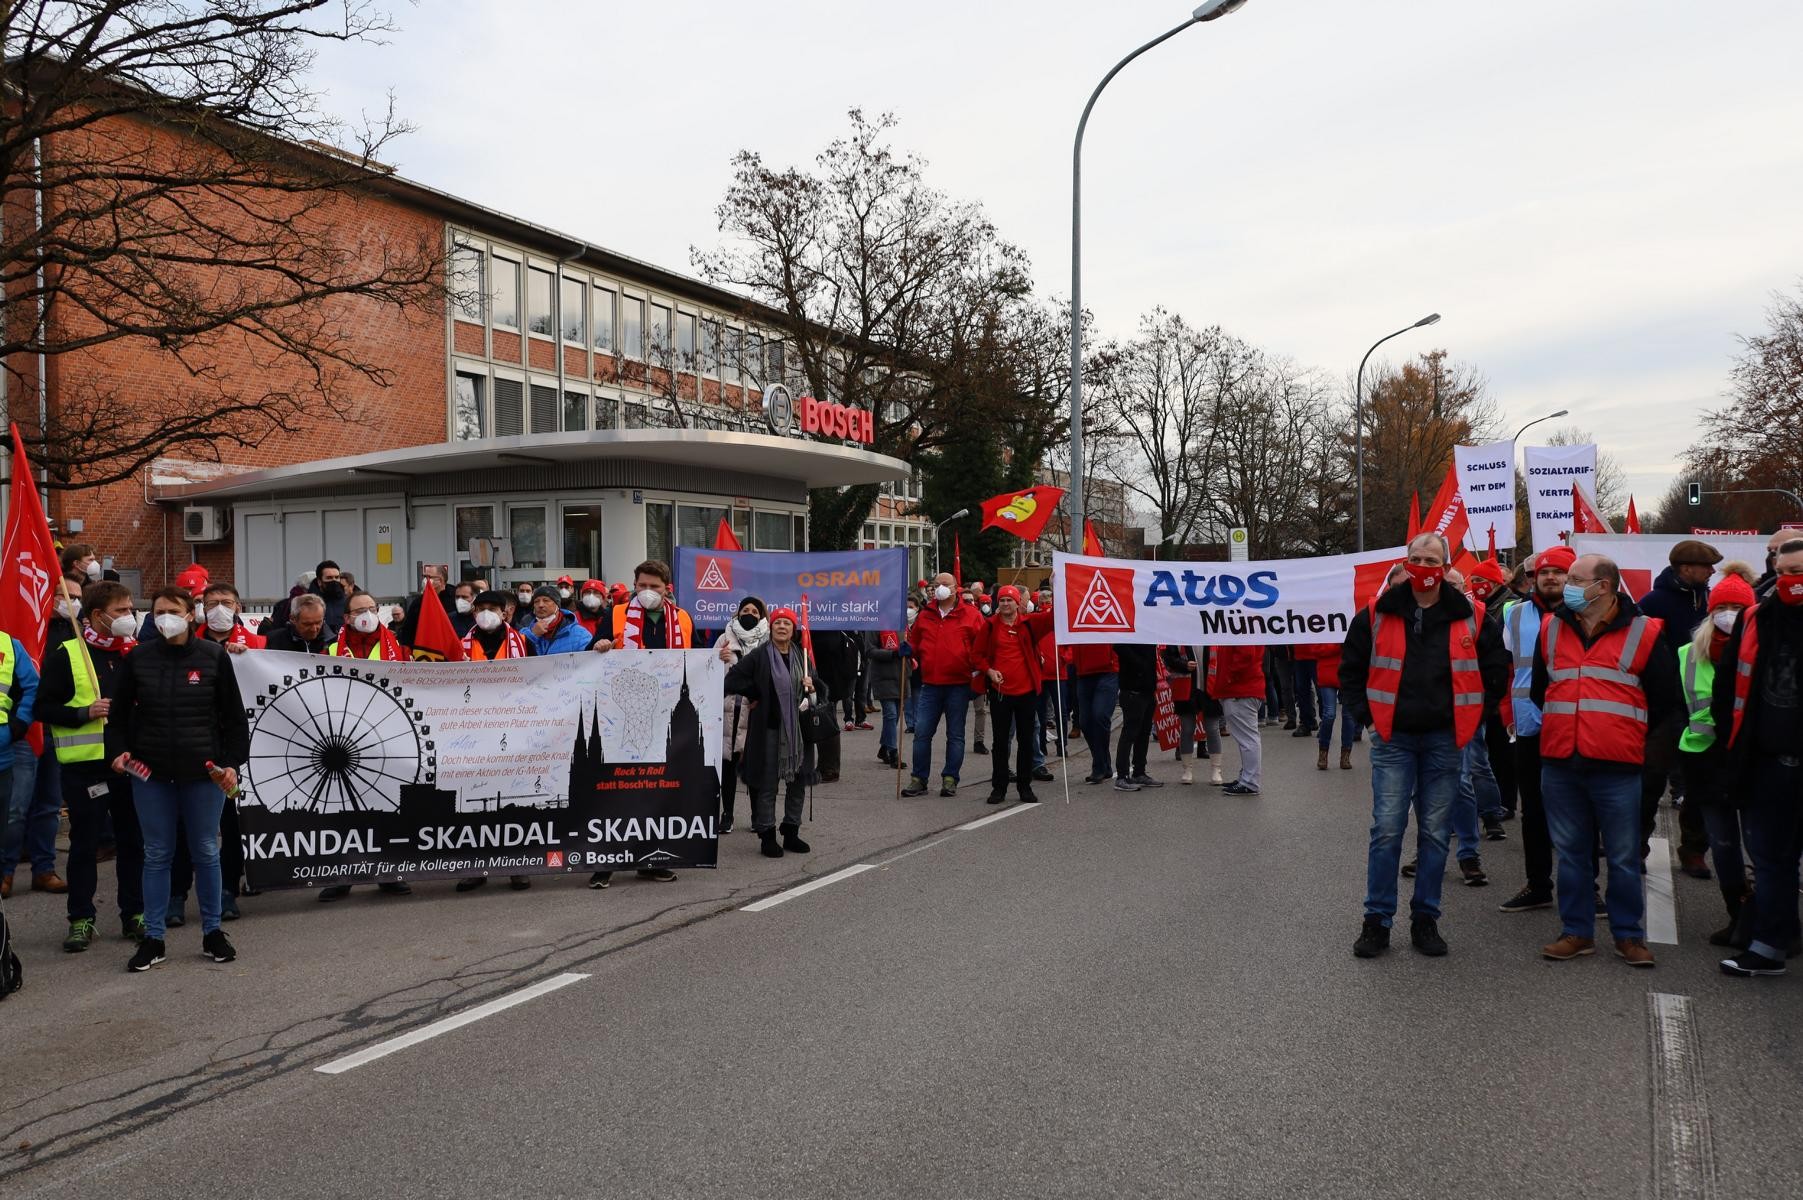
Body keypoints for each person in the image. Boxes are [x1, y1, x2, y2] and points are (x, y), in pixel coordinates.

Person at [1342, 533, 1509, 960]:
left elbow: (1495, 671)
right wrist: (1367, 718)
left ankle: (1425, 918)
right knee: (1387, 831)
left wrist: (1474, 720)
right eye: (1415, 558)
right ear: (1406, 562)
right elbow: (1352, 668)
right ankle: (1377, 921)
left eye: (1431, 559)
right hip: (1393, 739)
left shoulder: (1471, 616)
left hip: (1444, 741)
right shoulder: (1377, 613)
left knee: (1435, 834)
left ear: (1445, 565)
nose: (1422, 566)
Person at [1532, 553, 1676, 968]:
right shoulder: (1551, 628)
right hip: (1561, 762)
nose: (1566, 585)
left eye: (1576, 579)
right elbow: (1543, 688)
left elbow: (1665, 701)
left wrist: (1628, 740)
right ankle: (1576, 932)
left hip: (1617, 767)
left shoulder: (1644, 632)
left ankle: (1628, 935)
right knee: (1573, 854)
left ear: (1605, 587)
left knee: (1623, 856)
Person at [106, 587, 250, 971]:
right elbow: (117, 717)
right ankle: (154, 938)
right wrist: (117, 751)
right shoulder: (138, 658)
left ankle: (213, 932)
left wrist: (233, 762)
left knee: (205, 850)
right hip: (149, 773)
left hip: (203, 773)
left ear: (190, 615)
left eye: (172, 610)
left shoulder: (213, 657)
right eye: (157, 611)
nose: (164, 617)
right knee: (157, 854)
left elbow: (235, 719)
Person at [1711, 538, 1803, 977]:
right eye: (1783, 572)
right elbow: (1727, 687)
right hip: (1766, 764)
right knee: (1770, 861)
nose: (1791, 581)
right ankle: (1769, 946)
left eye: (1799, 571)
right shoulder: (1754, 619)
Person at [41, 582, 145, 950]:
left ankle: (134, 914)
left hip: (130, 768)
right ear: (98, 615)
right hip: (84, 770)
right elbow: (42, 708)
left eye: (130, 609)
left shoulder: (136, 653)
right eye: (120, 611)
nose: (128, 617)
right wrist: (84, 712)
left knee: (133, 843)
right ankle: (81, 918)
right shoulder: (67, 654)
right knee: (84, 845)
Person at [589, 560, 690, 885]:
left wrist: (719, 659)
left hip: (665, 716)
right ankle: (606, 863)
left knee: (656, 791)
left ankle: (653, 859)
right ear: (634, 585)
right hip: (622, 715)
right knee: (617, 791)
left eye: (654, 587)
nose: (647, 592)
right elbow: (593, 653)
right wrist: (600, 646)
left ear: (667, 589)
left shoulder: (683, 619)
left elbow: (696, 659)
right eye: (642, 586)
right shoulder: (616, 615)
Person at [311, 591, 414, 902]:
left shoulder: (399, 646)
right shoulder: (329, 648)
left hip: (387, 737)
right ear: (346, 618)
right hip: (344, 739)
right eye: (360, 610)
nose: (367, 614)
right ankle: (343, 875)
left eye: (371, 608)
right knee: (343, 810)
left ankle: (388, 872)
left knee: (385, 808)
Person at [1635, 539, 1723, 879]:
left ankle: (1694, 850)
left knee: (1699, 783)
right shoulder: (1653, 603)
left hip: (1701, 708)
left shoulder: (1712, 602)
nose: (1712, 571)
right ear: (1686, 568)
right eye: (1706, 566)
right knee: (1649, 780)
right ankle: (1636, 846)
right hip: (1663, 706)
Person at [1677, 568, 1755, 947]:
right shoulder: (1687, 654)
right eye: (1721, 606)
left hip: (1752, 761)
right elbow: (1677, 706)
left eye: (1736, 607)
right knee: (1723, 845)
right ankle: (1737, 915)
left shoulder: (1763, 649)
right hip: (1705, 762)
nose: (1728, 614)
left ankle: (1773, 919)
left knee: (1761, 849)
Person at [724, 606, 823, 859]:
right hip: (768, 730)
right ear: (771, 628)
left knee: (798, 782)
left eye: (787, 624)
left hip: (799, 731)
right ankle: (767, 835)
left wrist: (812, 688)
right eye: (777, 622)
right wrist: (756, 693)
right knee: (768, 785)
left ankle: (791, 831)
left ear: (793, 630)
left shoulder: (803, 656)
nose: (781, 627)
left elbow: (821, 690)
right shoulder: (759, 656)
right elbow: (732, 680)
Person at [902, 572, 984, 798]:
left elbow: (982, 647)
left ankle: (950, 779)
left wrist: (977, 677)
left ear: (956, 587)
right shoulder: (926, 615)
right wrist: (909, 649)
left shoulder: (971, 615)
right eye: (936, 584)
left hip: (959, 684)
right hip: (931, 685)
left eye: (944, 584)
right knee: (921, 733)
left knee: (955, 735)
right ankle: (919, 779)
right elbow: (915, 641)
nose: (939, 588)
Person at [977, 586, 1053, 804]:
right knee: (1000, 742)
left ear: (1018, 603)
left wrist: (1058, 585)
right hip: (1001, 693)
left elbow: (1053, 619)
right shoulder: (990, 626)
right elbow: (977, 655)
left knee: (1026, 740)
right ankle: (999, 787)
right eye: (1002, 600)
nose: (1006, 604)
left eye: (1010, 600)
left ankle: (1024, 786)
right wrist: (989, 671)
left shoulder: (1030, 624)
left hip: (1027, 692)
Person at [716, 597, 770, 832]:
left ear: (762, 615)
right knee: (728, 765)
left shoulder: (768, 641)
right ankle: (727, 815)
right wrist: (719, 660)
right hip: (729, 710)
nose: (749, 614)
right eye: (744, 610)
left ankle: (757, 815)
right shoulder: (724, 637)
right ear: (737, 614)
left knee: (754, 764)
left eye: (754, 611)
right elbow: (709, 670)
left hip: (756, 710)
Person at [0, 617, 43, 903]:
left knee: (8, 817)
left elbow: (33, 687)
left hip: (3, 752)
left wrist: (21, 722)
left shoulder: (9, 644)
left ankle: (4, 871)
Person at [1206, 643, 1265, 796]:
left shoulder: (1242, 621)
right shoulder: (1244, 622)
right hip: (1242, 689)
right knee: (1247, 738)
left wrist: (1229, 677)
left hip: (1240, 690)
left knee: (1247, 739)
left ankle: (1249, 782)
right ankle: (1246, 778)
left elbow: (1246, 655)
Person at [1299, 641, 1356, 771]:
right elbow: (1315, 649)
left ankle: (1345, 755)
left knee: (1348, 715)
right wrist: (1337, 646)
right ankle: (1323, 754)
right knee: (1329, 714)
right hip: (1327, 673)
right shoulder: (1321, 624)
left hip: (1349, 674)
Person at [1071, 639, 1120, 786]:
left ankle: (1099, 766)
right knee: (1085, 723)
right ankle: (1103, 762)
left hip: (1108, 671)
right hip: (1083, 672)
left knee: (1100, 716)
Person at [862, 624, 908, 772]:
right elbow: (870, 650)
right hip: (883, 676)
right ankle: (893, 753)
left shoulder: (902, 623)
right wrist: (893, 654)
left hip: (901, 674)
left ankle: (884, 747)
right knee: (890, 714)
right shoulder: (875, 624)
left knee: (895, 716)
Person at [521, 584, 593, 655]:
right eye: (536, 601)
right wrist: (532, 635)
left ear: (557, 605)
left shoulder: (580, 635)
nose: (540, 605)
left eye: (546, 600)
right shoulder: (524, 633)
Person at [1162, 645, 1199, 784]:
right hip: (1185, 685)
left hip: (1206, 683)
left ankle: (1216, 770)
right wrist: (1184, 664)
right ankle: (1187, 770)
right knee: (1187, 728)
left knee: (1212, 728)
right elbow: (1168, 657)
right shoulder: (1176, 633)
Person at [261, 594, 333, 654]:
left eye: (318, 623)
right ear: (292, 619)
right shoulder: (273, 641)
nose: (314, 629)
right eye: (307, 624)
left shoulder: (332, 642)